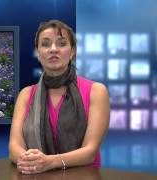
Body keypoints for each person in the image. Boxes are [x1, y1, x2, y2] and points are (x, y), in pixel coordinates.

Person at [8, 19, 110, 174]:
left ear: (73, 51)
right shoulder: (26, 95)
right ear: (38, 53)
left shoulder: (96, 91)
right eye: (45, 44)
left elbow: (90, 152)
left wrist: (50, 162)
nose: (53, 49)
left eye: (61, 44)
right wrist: (31, 162)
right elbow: (14, 147)